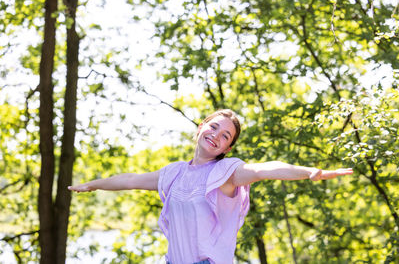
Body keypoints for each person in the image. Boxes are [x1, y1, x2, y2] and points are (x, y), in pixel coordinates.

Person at [68, 109, 353, 264]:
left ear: (228, 147)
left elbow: (265, 169)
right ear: (202, 126)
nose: (216, 135)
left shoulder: (226, 173)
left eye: (225, 135)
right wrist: (92, 185)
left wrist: (313, 173)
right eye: (214, 127)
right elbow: (129, 180)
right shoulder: (173, 174)